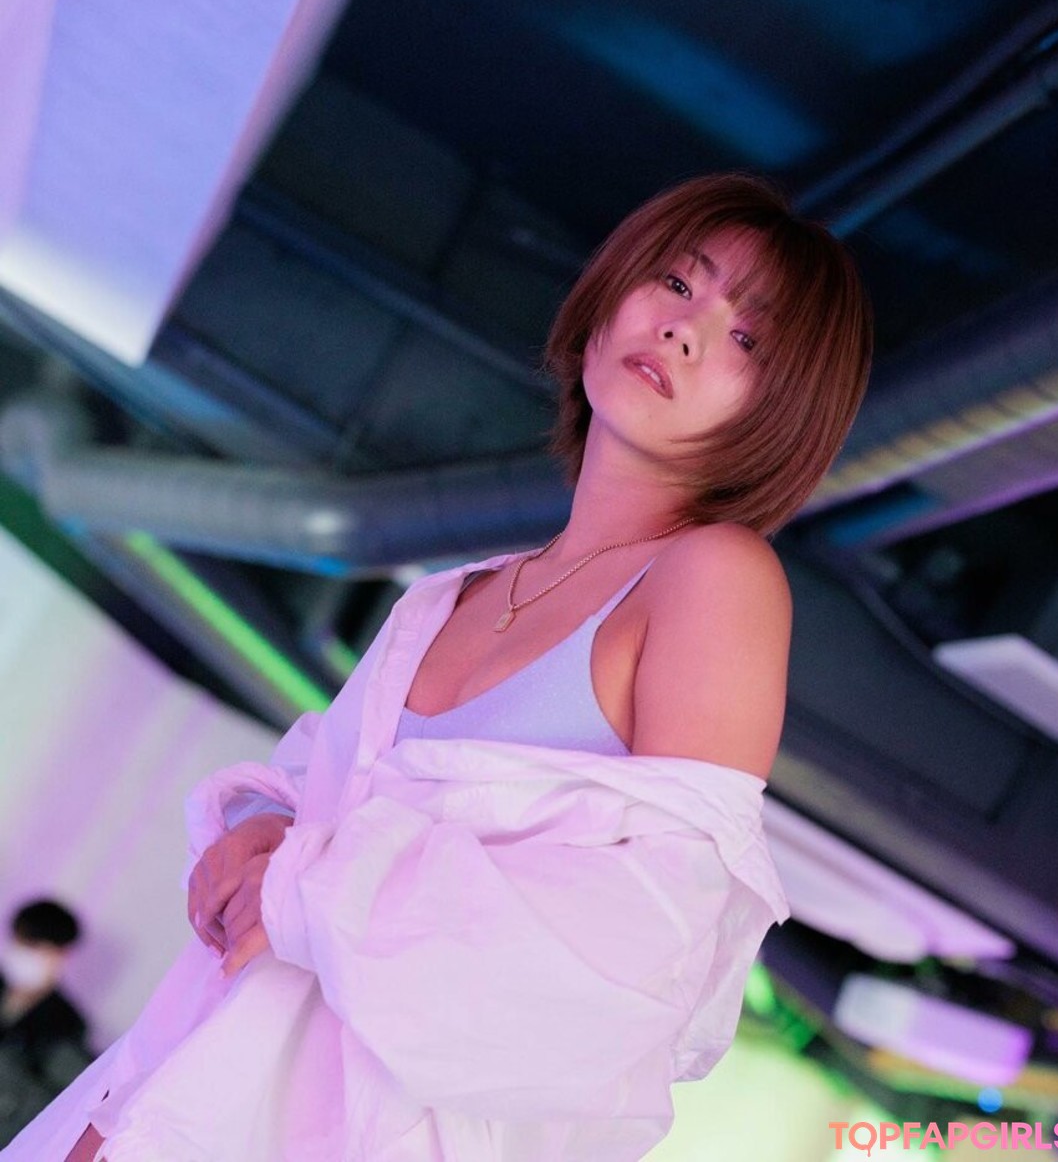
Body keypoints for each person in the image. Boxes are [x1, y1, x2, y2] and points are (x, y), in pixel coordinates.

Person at [6, 172, 872, 1161]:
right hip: (171, 1084)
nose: (685, 330)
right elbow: (311, 799)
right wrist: (257, 835)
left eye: (747, 338)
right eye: (677, 283)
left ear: (781, 411)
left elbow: (641, 954)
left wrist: (311, 884)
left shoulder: (715, 575)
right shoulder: (448, 596)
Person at [0, 901, 93, 1147]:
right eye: (25, 943)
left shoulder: (65, 1025)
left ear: (61, 955)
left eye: (40, 948)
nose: (30, 955)